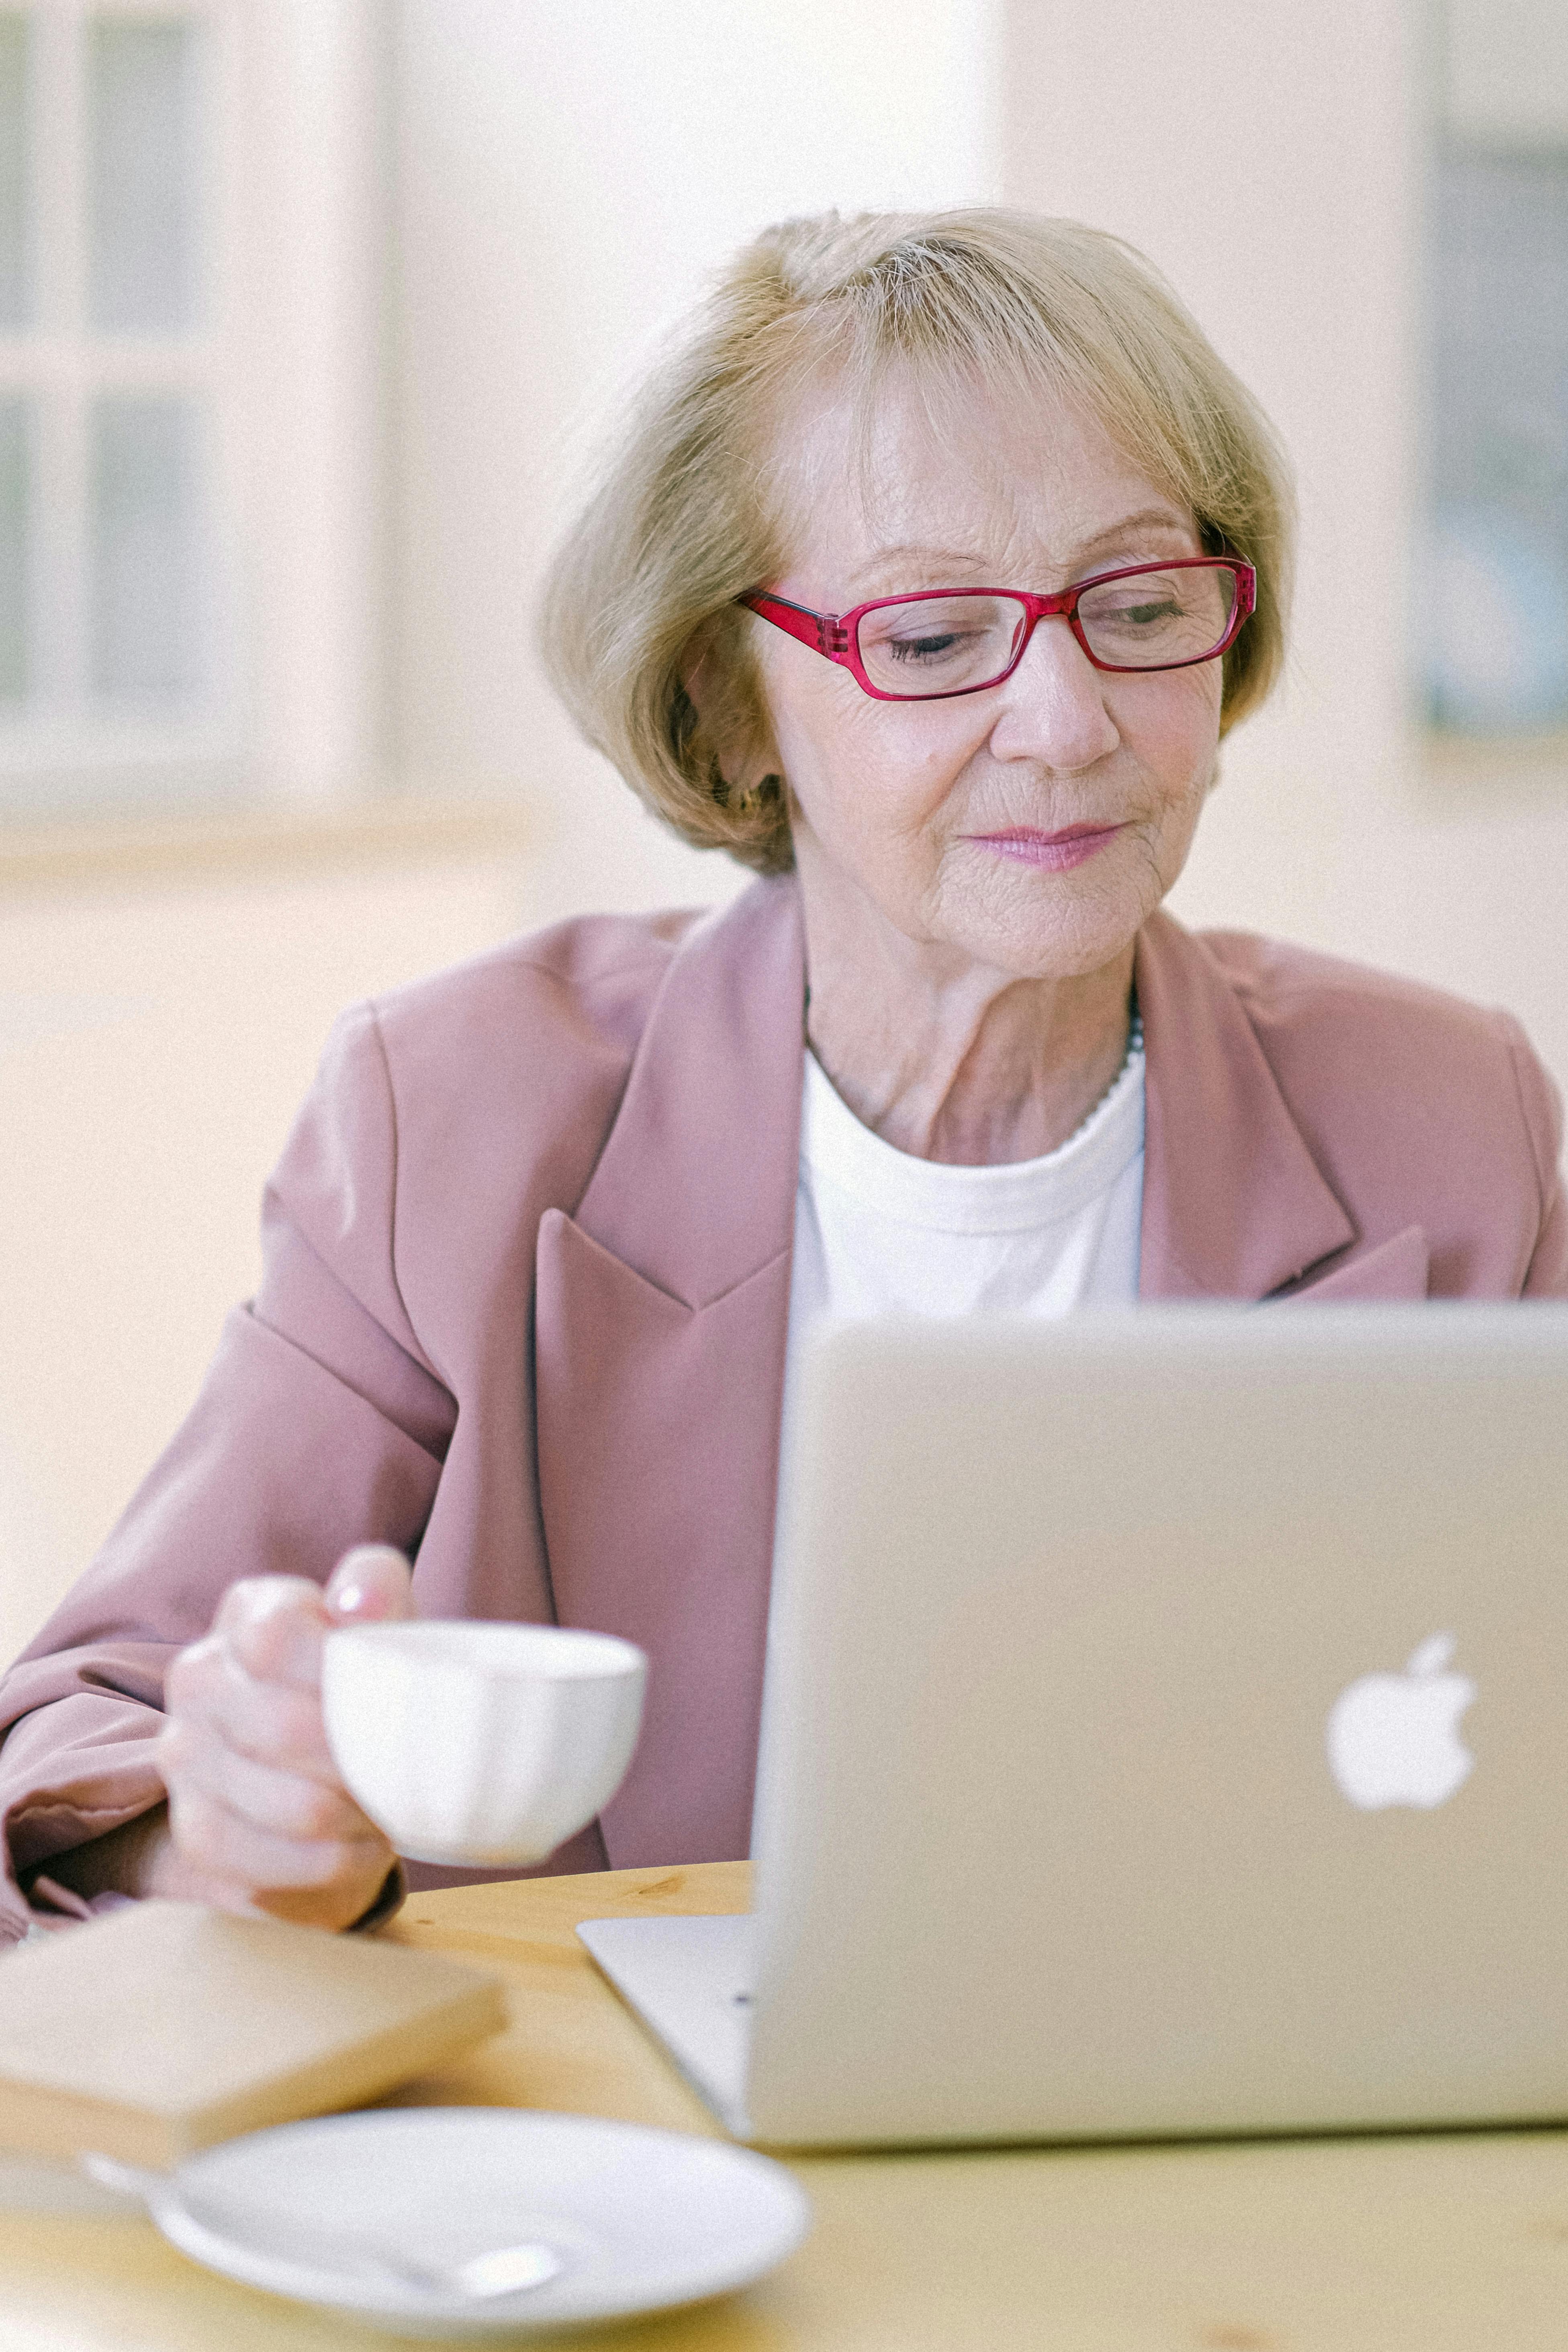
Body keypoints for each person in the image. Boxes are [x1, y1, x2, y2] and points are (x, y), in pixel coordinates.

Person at [2, 209, 1563, 1947]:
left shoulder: (1449, 1124)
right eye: (926, 640)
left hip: (1244, 2166)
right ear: (728, 702)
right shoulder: (458, 1115)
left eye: (1136, 607)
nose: (1064, 720)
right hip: (613, 2183)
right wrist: (217, 1827)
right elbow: (74, 1746)